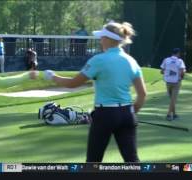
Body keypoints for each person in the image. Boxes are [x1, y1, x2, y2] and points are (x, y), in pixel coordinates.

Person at [43, 21, 147, 162]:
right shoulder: (131, 61)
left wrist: (53, 77)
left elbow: (73, 83)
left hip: (105, 115)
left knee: (93, 161)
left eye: (101, 37)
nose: (100, 40)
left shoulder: (98, 60)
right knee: (132, 160)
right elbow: (142, 94)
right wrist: (131, 111)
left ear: (108, 39)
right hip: (127, 114)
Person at [160, 48, 186, 121]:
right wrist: (182, 77)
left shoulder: (166, 60)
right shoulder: (180, 61)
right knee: (173, 99)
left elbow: (162, 71)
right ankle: (168, 115)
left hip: (168, 82)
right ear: (178, 53)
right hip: (176, 82)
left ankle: (174, 114)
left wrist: (166, 72)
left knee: (172, 99)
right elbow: (182, 71)